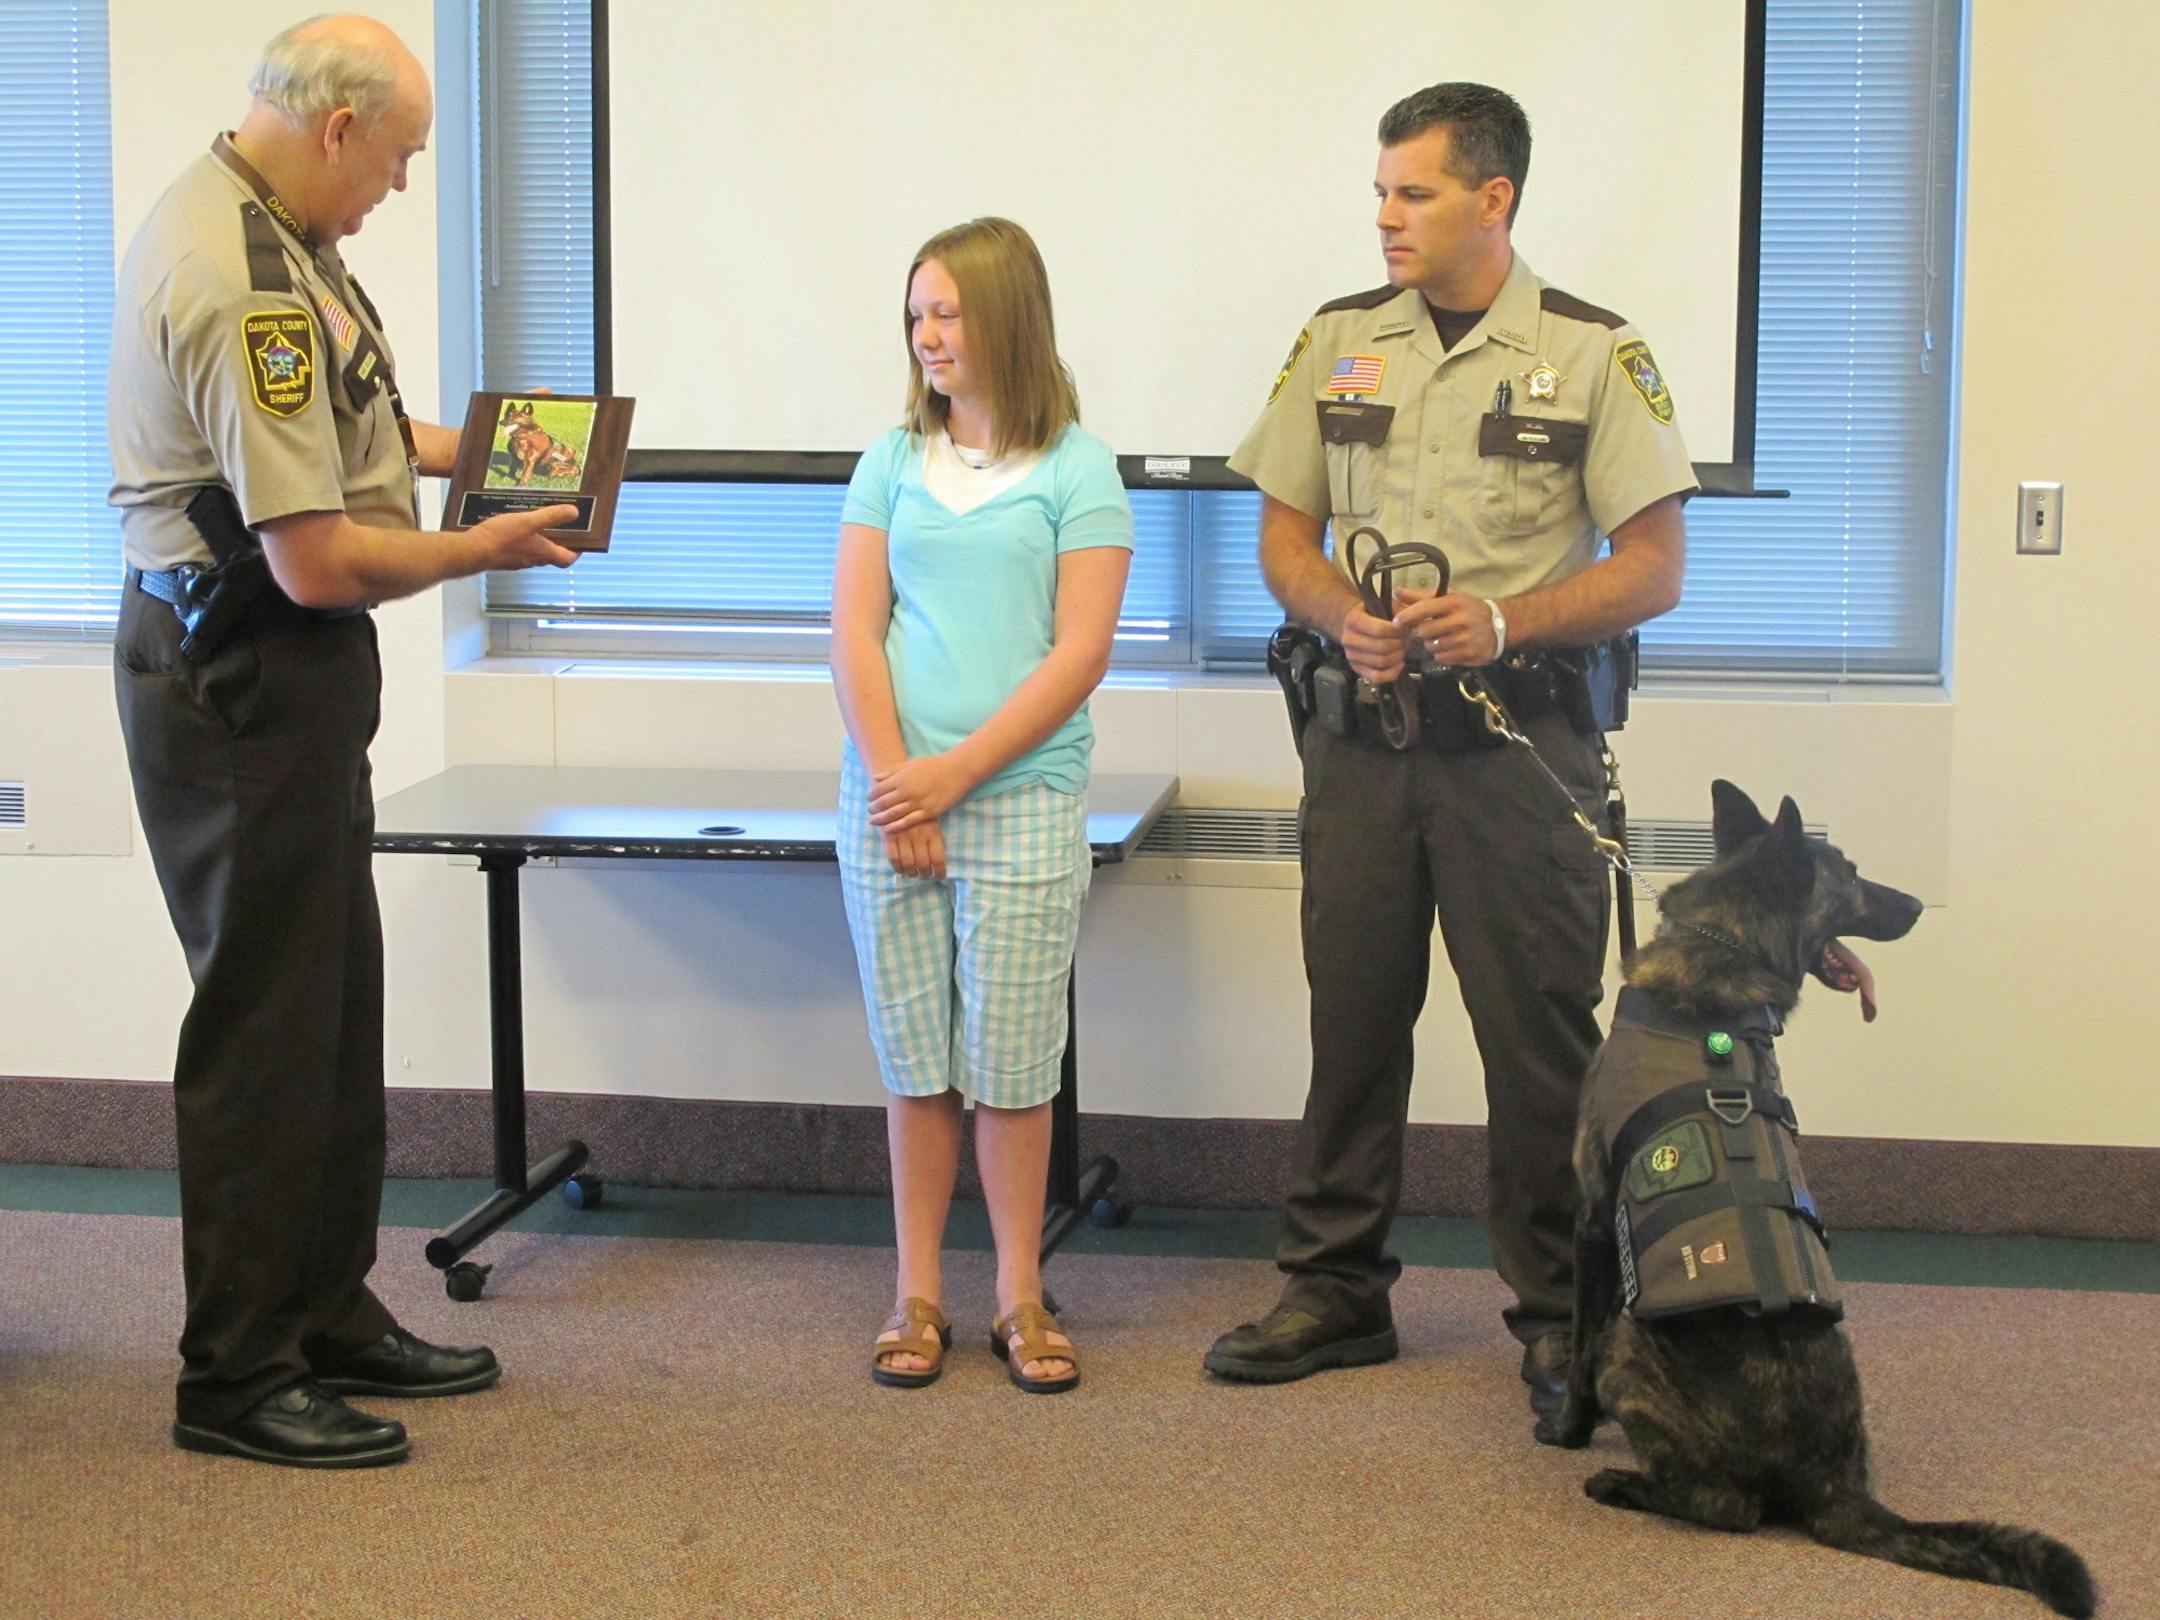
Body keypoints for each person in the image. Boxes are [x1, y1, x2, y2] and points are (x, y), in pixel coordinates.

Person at [108, 14, 581, 1467]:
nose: (397, 184)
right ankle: (235, 1375)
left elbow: (349, 427)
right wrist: (484, 545)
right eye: (399, 158)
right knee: (265, 1030)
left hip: (283, 667)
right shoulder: (240, 274)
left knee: (332, 1006)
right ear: (336, 130)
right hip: (245, 664)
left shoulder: (277, 227)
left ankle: (323, 1306)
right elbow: (319, 557)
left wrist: (506, 450)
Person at [1203, 83, 1696, 1414]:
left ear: (1495, 199)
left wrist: (1505, 618)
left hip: (1520, 756)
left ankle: (1558, 1311)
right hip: (1362, 748)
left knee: (1535, 1040)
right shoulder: (1337, 341)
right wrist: (1339, 617)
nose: (1386, 218)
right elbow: (1282, 538)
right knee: (1353, 1018)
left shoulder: (1595, 354)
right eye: (1378, 192)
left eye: (1413, 193)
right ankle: (1335, 1288)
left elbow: (1657, 568)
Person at [829, 217, 1133, 1395]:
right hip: (888, 797)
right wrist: (901, 778)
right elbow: (855, 628)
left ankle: (1018, 1294)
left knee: (1011, 1065)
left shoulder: (1078, 469)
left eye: (947, 311)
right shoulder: (891, 460)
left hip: (1016, 802)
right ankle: (917, 1293)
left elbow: (1080, 653)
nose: (927, 334)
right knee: (916, 1061)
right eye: (916, 314)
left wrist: (952, 778)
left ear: (1007, 314)